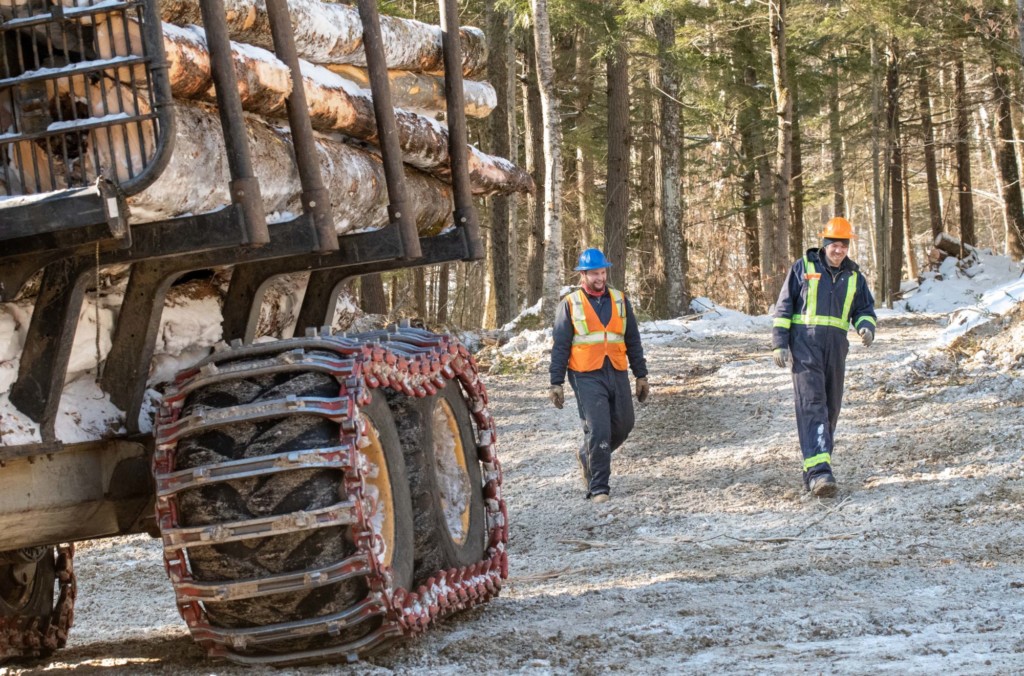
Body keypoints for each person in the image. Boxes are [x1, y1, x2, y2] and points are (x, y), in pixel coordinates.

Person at [771, 216, 877, 498]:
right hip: (805, 346)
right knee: (812, 405)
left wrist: (866, 327)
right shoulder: (803, 267)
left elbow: (864, 309)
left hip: (836, 350)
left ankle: (815, 469)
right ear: (825, 244)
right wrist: (779, 343)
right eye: (834, 244)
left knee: (830, 408)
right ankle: (820, 473)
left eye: (844, 245)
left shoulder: (855, 277)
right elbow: (784, 307)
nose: (838, 250)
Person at [548, 248, 649, 504]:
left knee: (624, 425)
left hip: (616, 369)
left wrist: (641, 375)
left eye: (603, 272)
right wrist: (556, 382)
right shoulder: (570, 304)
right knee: (599, 429)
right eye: (594, 273)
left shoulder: (619, 300)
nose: (600, 278)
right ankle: (599, 487)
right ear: (583, 275)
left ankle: (587, 456)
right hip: (585, 374)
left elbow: (632, 339)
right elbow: (560, 345)